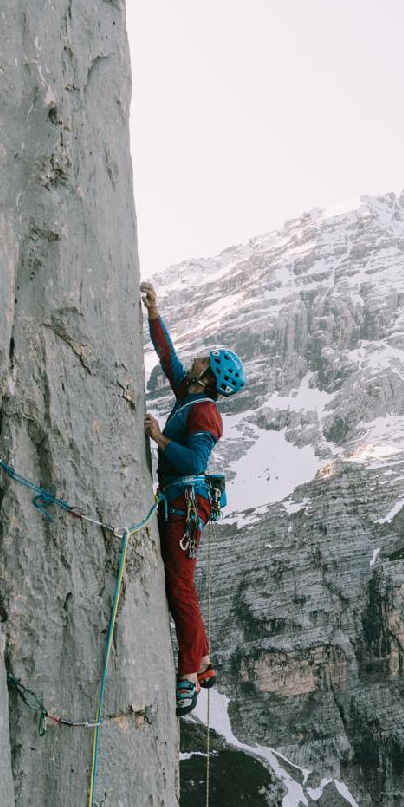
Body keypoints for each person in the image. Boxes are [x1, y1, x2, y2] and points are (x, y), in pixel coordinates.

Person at [141, 282, 246, 716]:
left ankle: (187, 676)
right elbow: (168, 360)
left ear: (208, 375)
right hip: (179, 501)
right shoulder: (190, 396)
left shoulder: (205, 412)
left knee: (179, 585)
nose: (196, 359)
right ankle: (201, 661)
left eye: (204, 359)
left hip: (185, 502)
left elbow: (195, 461)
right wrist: (154, 314)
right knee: (180, 584)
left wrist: (160, 439)